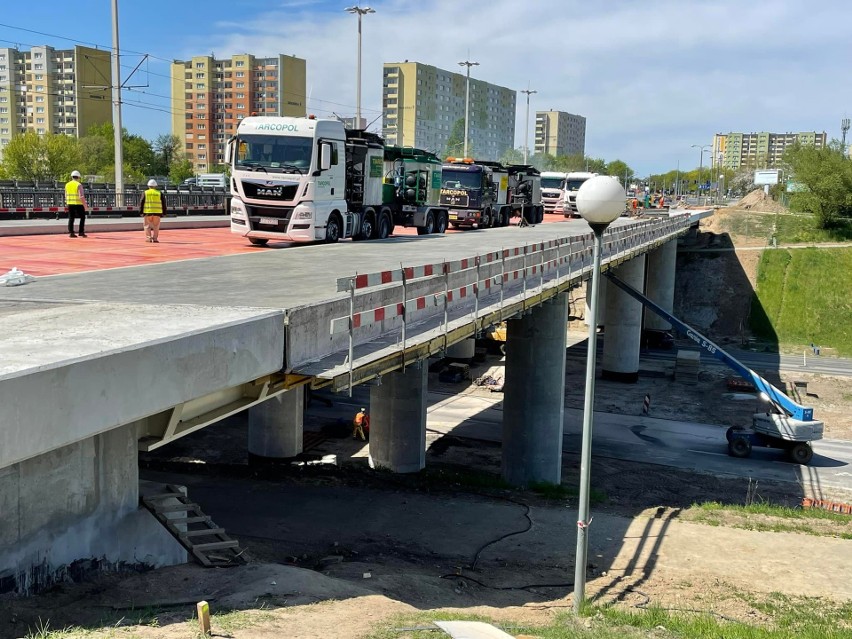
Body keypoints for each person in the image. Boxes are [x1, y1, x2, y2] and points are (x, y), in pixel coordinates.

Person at [65, 170, 87, 238]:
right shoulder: (78, 184)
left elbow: (66, 195)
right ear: (78, 177)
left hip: (70, 203)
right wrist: (85, 205)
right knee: (82, 217)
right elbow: (81, 196)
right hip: (78, 204)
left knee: (71, 218)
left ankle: (71, 233)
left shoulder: (67, 184)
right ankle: (81, 232)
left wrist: (66, 203)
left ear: (72, 177)